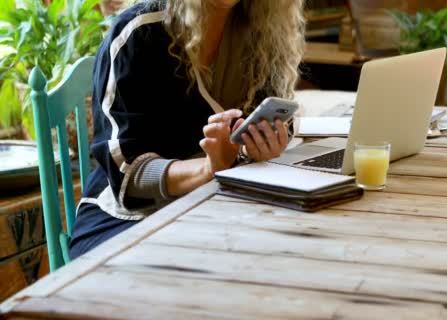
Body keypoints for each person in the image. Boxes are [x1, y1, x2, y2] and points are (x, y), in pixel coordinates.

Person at [69, 0, 305, 259]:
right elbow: (128, 173)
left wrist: (263, 146)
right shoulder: (139, 32)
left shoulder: (262, 31)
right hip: (124, 222)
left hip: (213, 210)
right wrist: (208, 169)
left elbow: (269, 118)